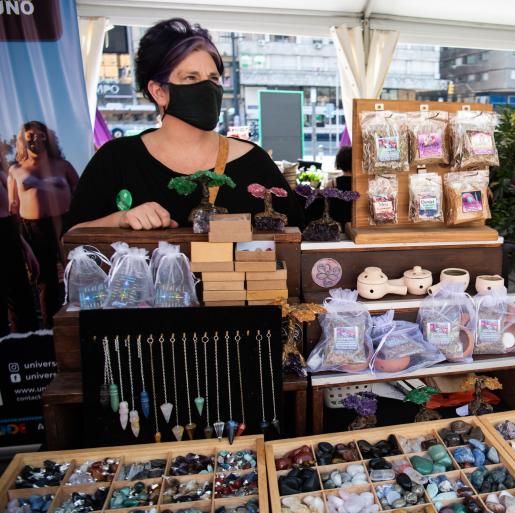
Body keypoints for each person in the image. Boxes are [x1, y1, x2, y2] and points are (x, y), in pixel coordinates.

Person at [64, 18, 304, 233]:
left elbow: (298, 236)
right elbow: (71, 235)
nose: (207, 88)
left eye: (213, 78)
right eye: (191, 78)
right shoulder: (117, 159)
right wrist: (120, 219)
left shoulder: (255, 162)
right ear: (159, 92)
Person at [7, 121, 78, 325]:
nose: (36, 138)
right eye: (30, 134)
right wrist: (19, 238)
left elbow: (81, 192)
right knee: (45, 280)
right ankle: (50, 329)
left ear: (49, 138)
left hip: (64, 224)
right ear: (23, 139)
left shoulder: (62, 166)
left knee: (74, 271)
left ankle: (77, 322)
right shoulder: (15, 170)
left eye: (41, 134)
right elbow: (13, 206)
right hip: (34, 228)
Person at [1, 143, 40, 335]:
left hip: (9, 232)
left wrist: (25, 247)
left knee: (22, 296)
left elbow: (9, 214)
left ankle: (26, 346)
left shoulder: (4, 170)